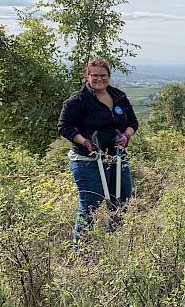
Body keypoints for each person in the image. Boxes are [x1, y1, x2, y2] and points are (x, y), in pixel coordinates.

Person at [58, 58, 138, 244]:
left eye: (103, 75)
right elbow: (64, 127)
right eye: (94, 75)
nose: (99, 79)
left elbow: (133, 122)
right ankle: (82, 253)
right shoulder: (77, 101)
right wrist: (84, 141)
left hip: (117, 157)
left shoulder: (119, 97)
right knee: (90, 206)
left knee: (121, 201)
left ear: (108, 76)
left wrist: (126, 135)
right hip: (87, 160)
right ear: (87, 76)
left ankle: (115, 244)